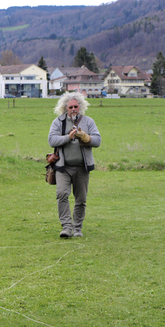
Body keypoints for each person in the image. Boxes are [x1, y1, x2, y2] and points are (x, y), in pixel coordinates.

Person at [48, 92, 101, 238]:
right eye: (70, 107)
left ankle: (77, 228)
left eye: (76, 106)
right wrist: (68, 137)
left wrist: (85, 137)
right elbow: (52, 140)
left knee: (81, 199)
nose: (73, 109)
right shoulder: (58, 122)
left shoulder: (89, 122)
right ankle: (66, 227)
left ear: (80, 107)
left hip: (82, 168)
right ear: (65, 108)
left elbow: (97, 141)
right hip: (63, 167)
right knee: (62, 194)